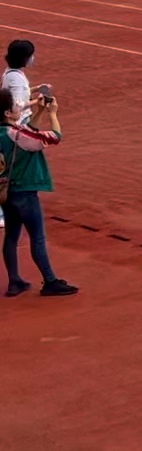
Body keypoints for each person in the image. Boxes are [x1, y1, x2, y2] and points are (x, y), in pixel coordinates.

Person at [3, 86, 77, 297]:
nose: (19, 108)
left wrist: (39, 112)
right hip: (25, 192)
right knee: (37, 237)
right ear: (7, 113)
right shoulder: (16, 133)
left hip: (6, 192)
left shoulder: (6, 132)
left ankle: (14, 281)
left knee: (11, 236)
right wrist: (53, 114)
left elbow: (26, 134)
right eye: (14, 107)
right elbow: (53, 137)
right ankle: (50, 281)